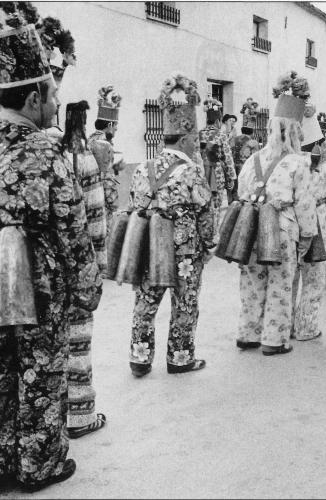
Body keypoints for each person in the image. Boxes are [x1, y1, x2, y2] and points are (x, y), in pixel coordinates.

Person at [0, 24, 101, 491]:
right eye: (52, 92)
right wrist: (87, 287)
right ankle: (40, 462)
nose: (57, 102)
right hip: (37, 283)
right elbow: (71, 227)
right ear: (34, 97)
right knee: (39, 370)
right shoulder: (45, 148)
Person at [128, 73, 215, 376]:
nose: (196, 145)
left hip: (150, 243)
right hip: (184, 250)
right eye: (194, 140)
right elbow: (205, 212)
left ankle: (139, 358)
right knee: (185, 302)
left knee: (146, 301)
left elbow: (135, 207)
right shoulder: (191, 172)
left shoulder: (142, 168)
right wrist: (208, 246)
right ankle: (180, 358)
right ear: (186, 137)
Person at [236, 73, 316, 355]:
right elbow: (305, 204)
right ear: (295, 130)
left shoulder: (251, 160)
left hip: (252, 225)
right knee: (281, 284)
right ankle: (273, 339)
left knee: (251, 280)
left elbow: (240, 192)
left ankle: (248, 333)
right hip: (283, 229)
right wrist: (308, 236)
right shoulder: (298, 162)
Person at [61, 100, 107, 438]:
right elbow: (96, 216)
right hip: (80, 262)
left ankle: (56, 414)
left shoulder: (52, 155)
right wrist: (99, 264)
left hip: (48, 264)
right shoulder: (86, 158)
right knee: (79, 341)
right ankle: (80, 416)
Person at [292, 110, 326, 340]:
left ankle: (284, 325)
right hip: (318, 225)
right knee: (313, 280)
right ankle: (306, 326)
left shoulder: (287, 164)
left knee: (288, 279)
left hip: (290, 224)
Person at [87, 85, 124, 235]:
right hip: (101, 205)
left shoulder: (89, 140)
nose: (116, 129)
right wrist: (115, 205)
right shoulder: (104, 145)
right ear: (109, 125)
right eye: (115, 126)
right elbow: (107, 180)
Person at [199, 98, 236, 242]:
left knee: (203, 201)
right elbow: (228, 156)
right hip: (217, 172)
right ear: (218, 120)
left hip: (202, 171)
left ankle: (203, 231)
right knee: (216, 202)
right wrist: (232, 176)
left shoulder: (199, 133)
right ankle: (213, 232)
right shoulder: (220, 134)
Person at [228, 101, 260, 203]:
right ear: (252, 131)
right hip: (245, 168)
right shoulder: (253, 142)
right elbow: (256, 159)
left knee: (234, 187)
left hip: (233, 167)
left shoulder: (233, 139)